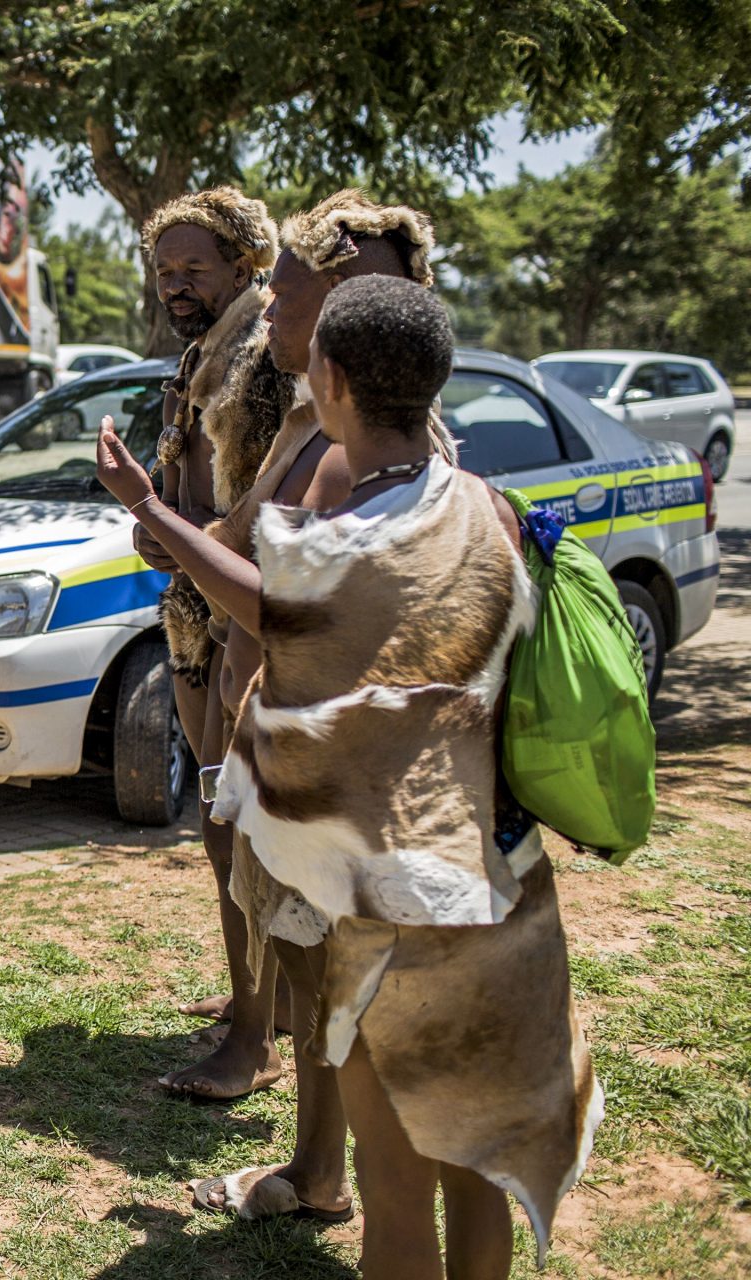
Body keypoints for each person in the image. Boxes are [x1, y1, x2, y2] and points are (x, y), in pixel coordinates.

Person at [100, 276, 600, 1279]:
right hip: (502, 886)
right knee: (476, 1168)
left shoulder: (357, 536)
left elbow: (269, 608)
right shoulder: (489, 507)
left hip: (394, 901)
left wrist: (148, 503)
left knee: (395, 1183)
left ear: (325, 377)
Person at [138, 189, 439, 1225]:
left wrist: (157, 523)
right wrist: (176, 526)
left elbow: (287, 602)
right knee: (310, 970)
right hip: (276, 746)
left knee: (349, 980)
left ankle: (341, 1178)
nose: (271, 306)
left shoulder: (396, 452)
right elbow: (235, 533)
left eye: (288, 291)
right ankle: (318, 1170)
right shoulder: (311, 417)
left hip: (339, 764)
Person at [137, 187, 293, 1100]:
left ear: (244, 263)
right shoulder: (204, 356)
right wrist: (156, 530)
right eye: (165, 269)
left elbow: (274, 511)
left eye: (195, 267)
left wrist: (175, 525)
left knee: (240, 830)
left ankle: (256, 1039)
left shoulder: (266, 358)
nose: (176, 283)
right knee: (218, 824)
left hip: (250, 628)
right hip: (199, 621)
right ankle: (257, 1003)